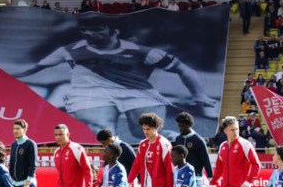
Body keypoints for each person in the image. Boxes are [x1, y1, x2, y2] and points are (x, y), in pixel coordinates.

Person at [15, 15, 217, 142]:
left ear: (115, 31)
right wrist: (8, 78)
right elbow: (35, 68)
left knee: (142, 133)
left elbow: (184, 70)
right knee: (101, 131)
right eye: (85, 30)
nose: (89, 34)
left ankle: (189, 143)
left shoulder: (142, 52)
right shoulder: (69, 51)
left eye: (96, 29)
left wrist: (200, 95)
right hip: (91, 94)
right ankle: (115, 163)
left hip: (137, 93)